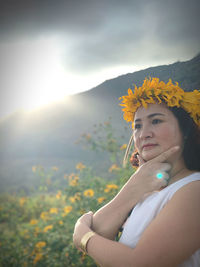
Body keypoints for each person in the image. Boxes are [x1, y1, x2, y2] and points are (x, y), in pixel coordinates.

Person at [73, 77, 200, 267]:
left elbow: (140, 263)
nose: (143, 133)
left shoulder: (194, 190)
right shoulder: (148, 191)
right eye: (137, 126)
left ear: (186, 130)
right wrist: (134, 185)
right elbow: (100, 232)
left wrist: (82, 236)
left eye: (156, 121)